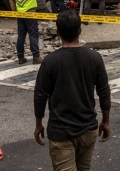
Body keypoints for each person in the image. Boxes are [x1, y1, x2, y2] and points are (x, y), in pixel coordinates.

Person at [33, 10, 111, 171]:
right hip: (89, 129)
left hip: (61, 133)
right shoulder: (94, 58)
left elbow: (40, 96)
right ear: (80, 30)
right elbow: (104, 91)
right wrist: (106, 121)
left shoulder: (50, 62)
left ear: (58, 32)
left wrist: (39, 124)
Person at [11, 0, 44, 65]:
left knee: (21, 36)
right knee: (33, 35)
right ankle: (36, 57)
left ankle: (21, 57)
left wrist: (15, 12)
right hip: (30, 14)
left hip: (20, 15)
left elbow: (11, 1)